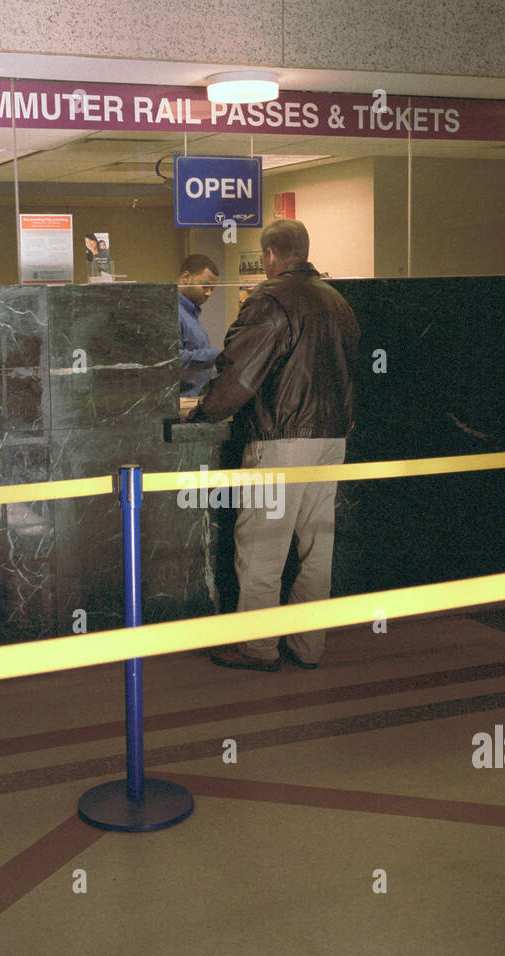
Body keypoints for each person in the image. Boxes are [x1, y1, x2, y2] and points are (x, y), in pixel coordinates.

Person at [187, 219, 358, 671]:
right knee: (316, 546)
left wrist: (203, 413)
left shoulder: (269, 300)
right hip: (332, 440)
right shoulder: (337, 301)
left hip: (283, 440)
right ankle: (308, 645)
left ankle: (258, 648)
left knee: (263, 544)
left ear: (268, 256)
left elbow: (240, 374)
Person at [177, 253, 220, 399]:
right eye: (205, 286)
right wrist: (218, 356)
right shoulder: (173, 312)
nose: (208, 293)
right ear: (186, 278)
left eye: (212, 289)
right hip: (180, 402)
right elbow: (174, 359)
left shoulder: (190, 313)